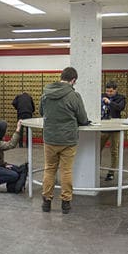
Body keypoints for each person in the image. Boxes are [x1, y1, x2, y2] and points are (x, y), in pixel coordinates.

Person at [39, 67, 89, 214]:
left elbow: (42, 112)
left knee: (49, 169)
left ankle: (46, 202)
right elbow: (83, 118)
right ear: (73, 80)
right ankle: (65, 203)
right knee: (66, 171)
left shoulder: (46, 94)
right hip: (68, 139)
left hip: (50, 138)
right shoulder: (74, 96)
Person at [100, 81, 126, 181]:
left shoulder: (121, 98)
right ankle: (96, 169)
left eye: (111, 91)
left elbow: (120, 108)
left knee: (114, 150)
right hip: (104, 127)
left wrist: (110, 102)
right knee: (98, 149)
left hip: (115, 127)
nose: (109, 93)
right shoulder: (102, 96)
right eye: (107, 91)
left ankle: (111, 172)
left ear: (115, 90)